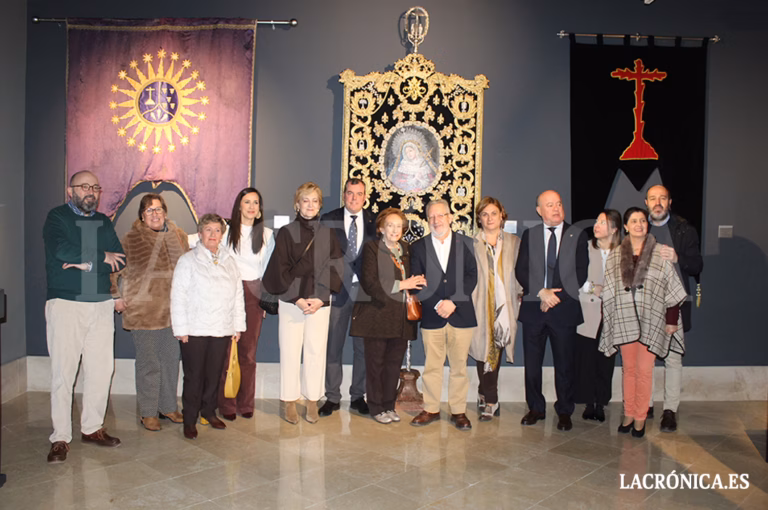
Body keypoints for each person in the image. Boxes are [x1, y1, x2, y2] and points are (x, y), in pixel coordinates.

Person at [43, 170, 125, 463]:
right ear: (70, 190)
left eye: (95, 187)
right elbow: (60, 250)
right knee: (64, 374)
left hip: (101, 304)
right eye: (84, 186)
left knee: (102, 370)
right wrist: (100, 258)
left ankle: (92, 428)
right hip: (66, 304)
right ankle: (60, 437)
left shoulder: (103, 221)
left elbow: (121, 258)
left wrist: (84, 264)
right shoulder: (57, 218)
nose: (91, 191)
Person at [599, 207, 687, 438]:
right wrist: (610, 321)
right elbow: (609, 291)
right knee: (628, 370)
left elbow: (672, 288)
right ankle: (628, 413)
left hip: (653, 321)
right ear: (626, 226)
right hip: (625, 320)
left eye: (642, 221)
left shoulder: (660, 253)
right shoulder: (616, 255)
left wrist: (670, 321)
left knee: (644, 370)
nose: (639, 224)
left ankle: (640, 418)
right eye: (634, 221)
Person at [262, 182, 343, 424]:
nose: (310, 205)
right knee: (289, 351)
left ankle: (311, 400)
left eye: (314, 201)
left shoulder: (328, 234)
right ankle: (288, 400)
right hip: (292, 302)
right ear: (297, 204)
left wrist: (320, 298)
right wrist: (297, 299)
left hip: (319, 303)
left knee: (316, 352)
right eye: (305, 200)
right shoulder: (287, 232)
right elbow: (279, 269)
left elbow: (336, 266)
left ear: (320, 205)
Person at [111, 193, 188, 431]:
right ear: (142, 216)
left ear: (165, 211)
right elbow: (113, 271)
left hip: (172, 313)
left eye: (158, 209)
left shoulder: (178, 236)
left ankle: (167, 406)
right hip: (143, 312)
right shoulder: (131, 239)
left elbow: (188, 269)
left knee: (171, 362)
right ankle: (147, 412)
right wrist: (116, 296)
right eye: (149, 210)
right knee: (149, 364)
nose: (155, 214)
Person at [515, 190, 588, 431]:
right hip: (534, 310)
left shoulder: (576, 235)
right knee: (532, 364)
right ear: (539, 211)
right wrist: (540, 292)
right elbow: (521, 270)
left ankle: (565, 410)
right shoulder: (530, 235)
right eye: (549, 205)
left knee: (565, 364)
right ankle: (535, 407)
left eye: (559, 204)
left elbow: (580, 272)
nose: (556, 208)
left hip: (564, 309)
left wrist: (555, 296)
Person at [171, 214, 245, 439]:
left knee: (214, 375)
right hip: (195, 329)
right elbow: (178, 296)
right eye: (208, 230)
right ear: (200, 233)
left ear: (222, 235)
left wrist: (238, 326)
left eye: (217, 230)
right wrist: (181, 329)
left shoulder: (229, 261)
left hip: (221, 328)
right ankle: (190, 417)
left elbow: (238, 295)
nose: (213, 235)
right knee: (194, 376)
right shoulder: (187, 260)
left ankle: (209, 412)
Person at [348, 208, 426, 424]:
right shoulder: (372, 249)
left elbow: (413, 280)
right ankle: (375, 407)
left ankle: (389, 406)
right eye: (390, 225)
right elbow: (371, 284)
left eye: (398, 226)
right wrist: (404, 284)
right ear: (381, 228)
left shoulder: (407, 250)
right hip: (376, 317)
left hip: (401, 319)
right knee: (376, 365)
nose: (394, 230)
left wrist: (419, 281)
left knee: (393, 365)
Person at [409, 199, 478, 430]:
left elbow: (472, 276)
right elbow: (417, 282)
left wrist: (453, 302)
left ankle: (459, 412)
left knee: (459, 367)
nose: (437, 220)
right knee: (432, 366)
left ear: (450, 217)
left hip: (461, 315)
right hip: (433, 314)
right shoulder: (418, 247)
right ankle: (431, 409)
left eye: (441, 215)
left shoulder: (467, 243)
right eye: (432, 217)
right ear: (427, 220)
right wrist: (439, 302)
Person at [645, 185, 703, 432]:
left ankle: (670, 410)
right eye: (653, 198)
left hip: (674, 305)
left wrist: (678, 257)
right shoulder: (638, 226)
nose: (657, 202)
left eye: (662, 198)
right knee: (644, 358)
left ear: (669, 201)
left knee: (673, 359)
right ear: (646, 202)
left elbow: (697, 265)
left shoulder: (683, 229)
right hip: (644, 305)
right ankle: (645, 405)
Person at [319, 178, 376, 417]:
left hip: (365, 293)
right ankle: (332, 396)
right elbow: (321, 257)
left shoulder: (375, 221)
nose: (354, 198)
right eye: (350, 193)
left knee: (362, 348)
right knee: (334, 346)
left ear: (365, 197)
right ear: (344, 195)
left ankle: (357, 396)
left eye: (359, 194)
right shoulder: (328, 219)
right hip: (337, 291)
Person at [217, 188, 275, 422]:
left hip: (253, 294)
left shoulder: (267, 235)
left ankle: (245, 402)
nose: (251, 206)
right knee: (225, 351)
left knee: (248, 353)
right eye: (247, 202)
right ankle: (226, 402)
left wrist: (262, 300)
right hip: (228, 293)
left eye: (256, 202)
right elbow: (196, 240)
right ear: (239, 205)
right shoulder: (225, 231)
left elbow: (268, 270)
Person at [469, 197, 521, 421]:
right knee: (482, 347)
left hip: (505, 304)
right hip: (480, 302)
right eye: (484, 214)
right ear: (479, 219)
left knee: (496, 348)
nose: (489, 218)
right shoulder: (471, 243)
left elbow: (522, 272)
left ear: (502, 215)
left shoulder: (514, 242)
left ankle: (488, 396)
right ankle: (489, 395)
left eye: (493, 213)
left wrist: (520, 294)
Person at [574, 209, 621, 423]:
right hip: (588, 311)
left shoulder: (623, 252)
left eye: (603, 222)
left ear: (614, 229)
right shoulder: (585, 248)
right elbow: (574, 277)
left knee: (606, 360)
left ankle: (601, 402)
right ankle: (588, 402)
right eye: (596, 221)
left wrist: (608, 290)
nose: (597, 225)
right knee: (587, 359)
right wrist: (595, 288)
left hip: (612, 313)